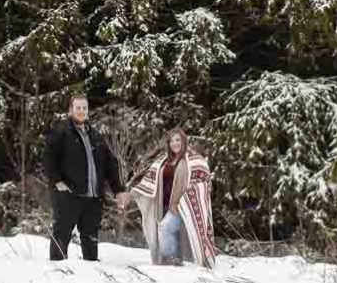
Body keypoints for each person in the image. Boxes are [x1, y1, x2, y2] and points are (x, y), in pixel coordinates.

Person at [43, 95, 130, 261]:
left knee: (90, 236)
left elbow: (110, 164)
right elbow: (48, 158)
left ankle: (92, 272)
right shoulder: (61, 132)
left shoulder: (95, 135)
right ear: (70, 110)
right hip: (68, 194)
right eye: (78, 108)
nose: (81, 111)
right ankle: (57, 271)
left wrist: (118, 189)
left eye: (84, 108)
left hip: (93, 197)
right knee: (62, 233)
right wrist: (57, 181)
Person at [127, 128, 216, 268]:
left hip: (182, 204)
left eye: (177, 140)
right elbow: (148, 181)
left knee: (165, 227)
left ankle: (171, 262)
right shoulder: (162, 160)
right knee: (170, 232)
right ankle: (173, 262)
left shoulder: (195, 160)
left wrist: (186, 198)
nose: (174, 143)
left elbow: (204, 182)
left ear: (184, 141)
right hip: (163, 204)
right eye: (171, 141)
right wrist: (130, 195)